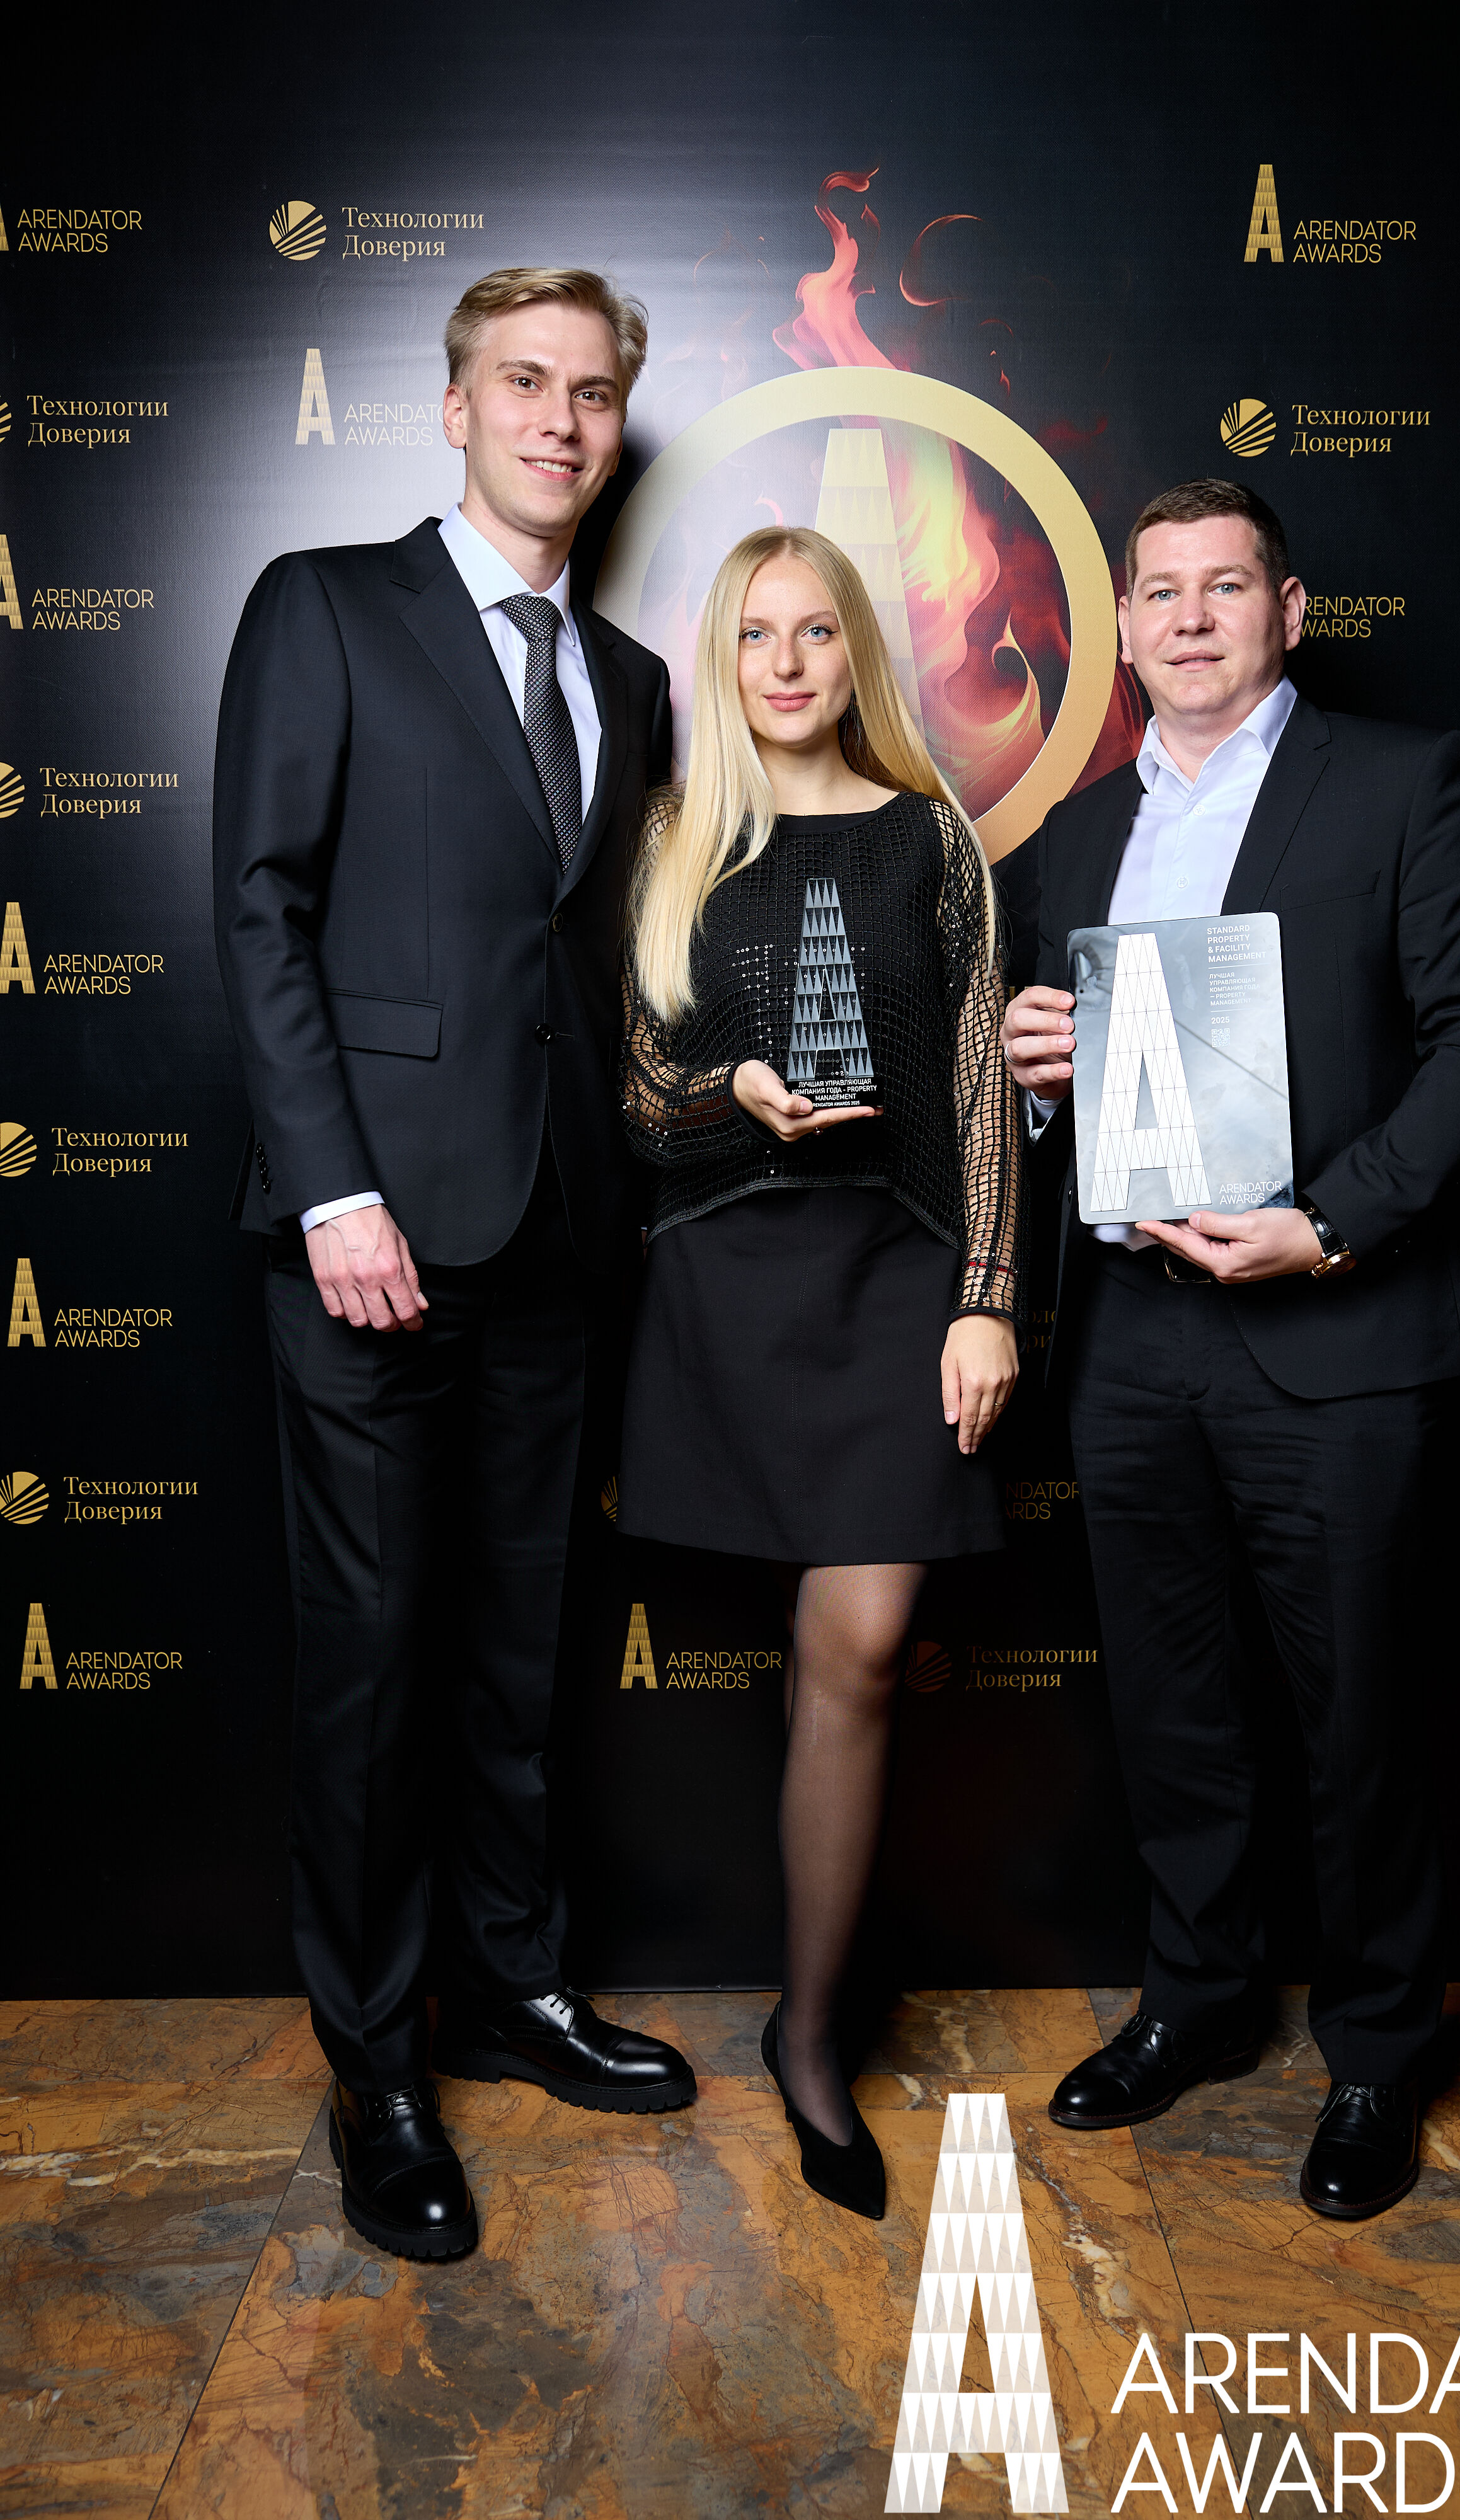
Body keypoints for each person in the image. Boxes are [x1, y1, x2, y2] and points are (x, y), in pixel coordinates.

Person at [213, 267, 696, 2264]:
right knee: (372, 1668)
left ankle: (510, 1988)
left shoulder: (633, 683)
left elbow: (605, 971)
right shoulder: (325, 606)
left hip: (557, 1240)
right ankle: (377, 2067)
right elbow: (261, 903)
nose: (559, 421)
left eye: (590, 393)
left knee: (517, 1658)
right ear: (454, 406)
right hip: (370, 1245)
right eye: (523, 382)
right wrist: (334, 1191)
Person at [1001, 478, 1460, 2220]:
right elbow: (1053, 1090)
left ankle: (1378, 2050)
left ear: (1286, 612)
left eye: (1222, 586)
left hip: (1338, 1328)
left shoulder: (1404, 781)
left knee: (1362, 1715)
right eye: (1158, 591)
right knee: (1174, 1707)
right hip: (1132, 1338)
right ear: (1124, 624)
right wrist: (1031, 1070)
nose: (1187, 617)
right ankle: (1199, 1998)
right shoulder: (1076, 835)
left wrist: (1331, 1220)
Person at [617, 525, 1021, 2219]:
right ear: (725, 657)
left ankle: (811, 2029)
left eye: (815, 633)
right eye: (753, 634)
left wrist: (988, 1297)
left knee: (856, 1644)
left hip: (899, 1274)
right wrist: (737, 1096)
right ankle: (805, 2029)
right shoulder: (674, 839)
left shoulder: (932, 836)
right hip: (732, 1281)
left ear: (858, 651)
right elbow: (641, 1100)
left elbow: (983, 1079)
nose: (784, 664)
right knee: (813, 1654)